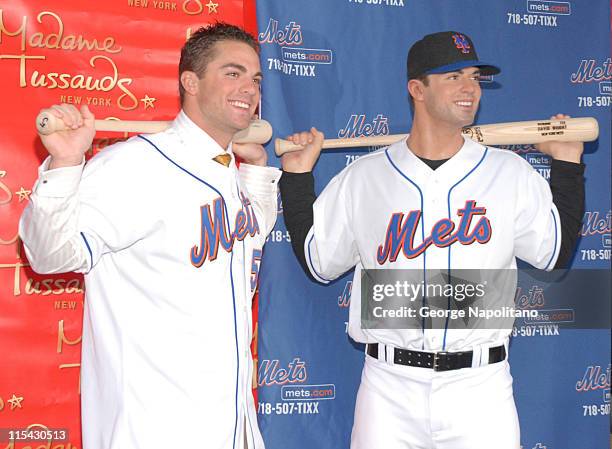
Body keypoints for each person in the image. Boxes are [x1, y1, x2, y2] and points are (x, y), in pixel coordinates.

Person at [278, 31, 585, 448]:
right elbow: (319, 260)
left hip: (480, 387)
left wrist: (567, 165)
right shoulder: (365, 177)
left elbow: (554, 253)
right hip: (388, 387)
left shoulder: (509, 172)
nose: (469, 87)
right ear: (416, 89)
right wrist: (296, 177)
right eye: (453, 76)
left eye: (475, 76)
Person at [19, 23, 280, 449]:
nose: (249, 89)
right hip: (151, 426)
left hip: (230, 422)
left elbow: (248, 239)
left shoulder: (224, 167)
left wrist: (255, 174)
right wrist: (66, 164)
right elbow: (48, 255)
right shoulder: (134, 166)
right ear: (190, 82)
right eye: (232, 73)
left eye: (254, 78)